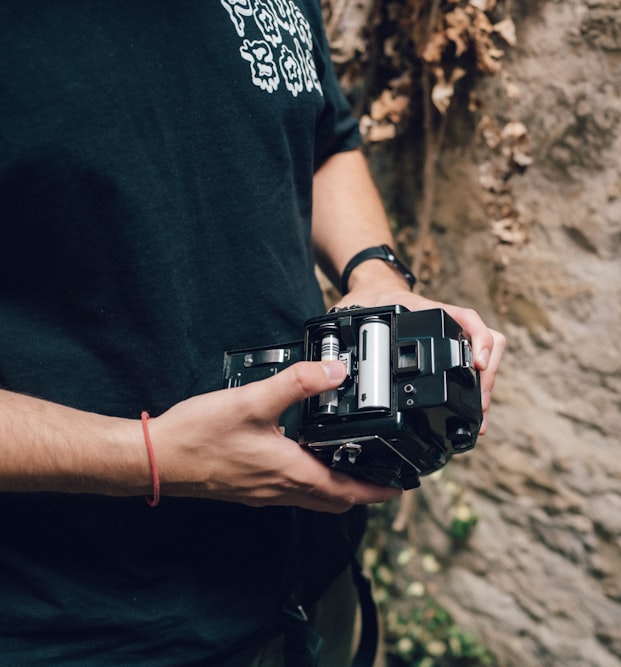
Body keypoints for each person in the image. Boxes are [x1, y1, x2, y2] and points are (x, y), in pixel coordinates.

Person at [0, 2, 504, 665]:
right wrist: (150, 454)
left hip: (315, 583)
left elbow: (326, 139)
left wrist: (376, 275)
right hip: (97, 628)